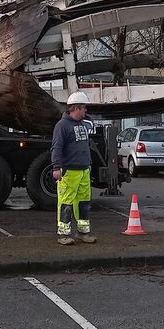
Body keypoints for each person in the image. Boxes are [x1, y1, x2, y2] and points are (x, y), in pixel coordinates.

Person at [51, 91, 96, 245]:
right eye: (84, 108)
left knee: (83, 201)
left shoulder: (82, 125)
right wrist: (57, 167)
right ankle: (63, 234)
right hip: (69, 171)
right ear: (76, 108)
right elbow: (56, 148)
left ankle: (83, 232)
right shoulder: (62, 126)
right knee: (66, 202)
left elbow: (85, 146)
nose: (86, 110)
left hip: (83, 170)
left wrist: (88, 163)